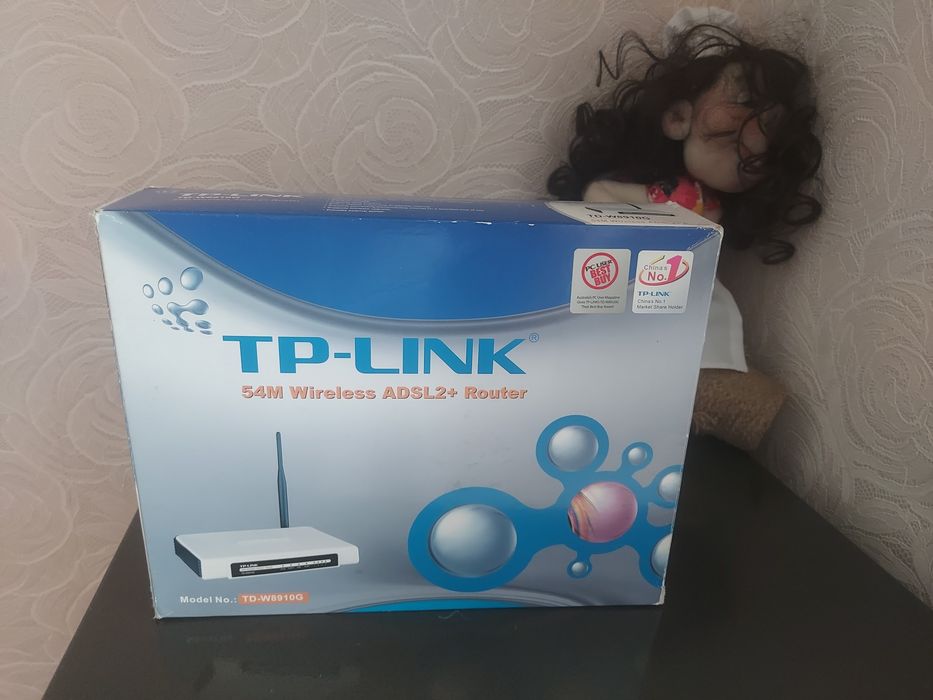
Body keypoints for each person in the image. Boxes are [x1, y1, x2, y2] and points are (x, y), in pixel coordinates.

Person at [548, 11, 823, 450]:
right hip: (621, 287)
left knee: (695, 322)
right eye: (741, 112)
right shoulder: (660, 193)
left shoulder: (707, 206)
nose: (756, 142)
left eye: (766, 141)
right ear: (678, 119)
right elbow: (599, 194)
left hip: (678, 289)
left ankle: (700, 391)